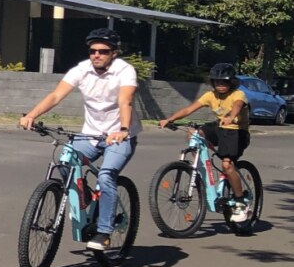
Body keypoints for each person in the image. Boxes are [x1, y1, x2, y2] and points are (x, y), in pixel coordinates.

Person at [18, 28, 138, 252]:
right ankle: (84, 198)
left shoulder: (125, 70)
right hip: (90, 135)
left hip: (120, 137)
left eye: (103, 51)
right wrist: (32, 115)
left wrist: (122, 129)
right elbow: (56, 95)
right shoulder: (82, 69)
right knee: (65, 160)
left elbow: (126, 100)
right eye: (93, 51)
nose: (97, 55)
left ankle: (104, 231)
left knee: (106, 175)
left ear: (114, 53)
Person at [159, 62, 251, 223]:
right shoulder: (210, 95)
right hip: (220, 128)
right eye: (217, 82)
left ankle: (240, 201)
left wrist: (230, 116)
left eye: (224, 82)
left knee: (227, 166)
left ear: (231, 82)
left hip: (237, 132)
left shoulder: (238, 95)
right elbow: (189, 109)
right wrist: (169, 119)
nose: (220, 85)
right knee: (194, 133)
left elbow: (237, 106)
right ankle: (198, 164)